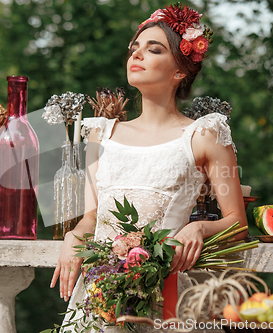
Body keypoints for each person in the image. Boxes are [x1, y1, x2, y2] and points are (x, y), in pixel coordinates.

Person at [50, 3, 247, 331]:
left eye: (153, 49)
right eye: (133, 49)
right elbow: (91, 218)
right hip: (98, 296)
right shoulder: (101, 133)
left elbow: (237, 224)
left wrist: (198, 228)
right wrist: (74, 236)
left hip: (163, 295)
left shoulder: (206, 135)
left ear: (179, 71)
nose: (136, 55)